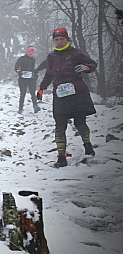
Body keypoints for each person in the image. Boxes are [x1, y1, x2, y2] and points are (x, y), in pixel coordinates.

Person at [37, 27, 97, 167]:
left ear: (67, 39)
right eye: (56, 40)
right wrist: (41, 88)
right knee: (59, 126)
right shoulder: (51, 56)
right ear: (54, 41)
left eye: (62, 39)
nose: (59, 42)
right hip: (60, 94)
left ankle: (87, 145)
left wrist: (86, 68)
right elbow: (49, 74)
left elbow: (92, 63)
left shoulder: (75, 53)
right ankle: (61, 157)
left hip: (77, 92)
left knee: (80, 123)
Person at [14, 46, 41, 113]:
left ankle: (35, 107)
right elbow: (16, 67)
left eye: (32, 52)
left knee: (32, 93)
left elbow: (35, 69)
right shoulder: (21, 59)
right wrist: (19, 72)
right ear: (26, 52)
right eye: (29, 51)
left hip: (31, 79)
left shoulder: (34, 60)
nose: (31, 53)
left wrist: (35, 74)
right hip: (22, 79)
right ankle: (20, 109)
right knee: (23, 93)